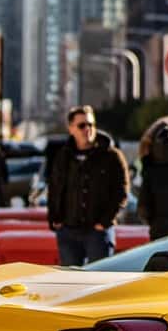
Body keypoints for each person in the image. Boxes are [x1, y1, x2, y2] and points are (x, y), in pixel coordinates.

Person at [46, 105, 130, 266]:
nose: (88, 129)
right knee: (71, 283)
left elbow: (122, 191)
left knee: (98, 281)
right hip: (68, 231)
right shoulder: (63, 156)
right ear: (71, 129)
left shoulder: (112, 156)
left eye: (91, 124)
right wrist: (54, 218)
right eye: (82, 125)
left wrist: (105, 221)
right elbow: (54, 188)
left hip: (98, 232)